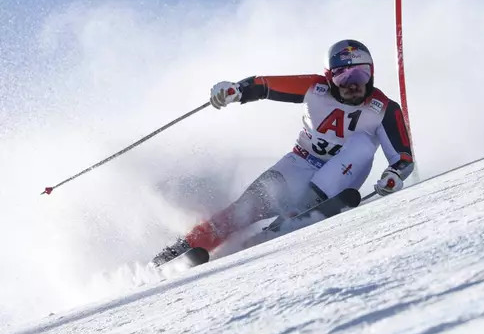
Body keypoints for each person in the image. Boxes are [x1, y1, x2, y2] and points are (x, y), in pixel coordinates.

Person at [152, 39, 414, 266]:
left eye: (360, 75)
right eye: (342, 76)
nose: (353, 84)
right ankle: (179, 251)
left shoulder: (384, 109)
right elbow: (265, 85)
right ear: (328, 77)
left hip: (343, 173)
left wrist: (393, 175)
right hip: (299, 162)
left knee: (362, 145)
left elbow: (403, 158)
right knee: (243, 209)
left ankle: (300, 211)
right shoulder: (315, 88)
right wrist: (235, 90)